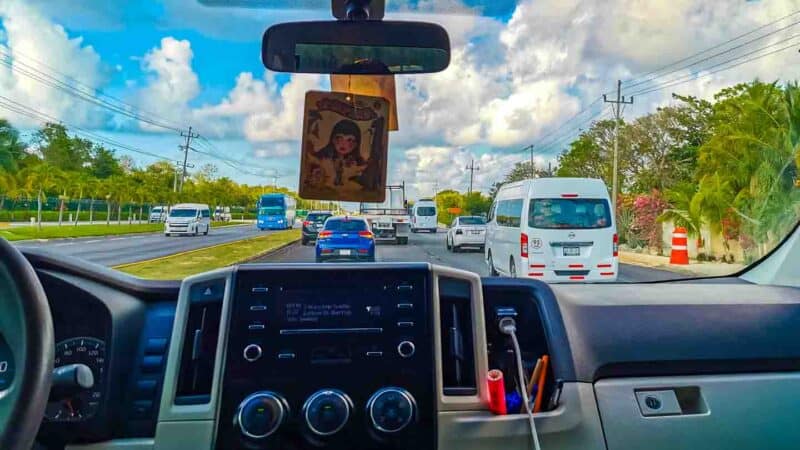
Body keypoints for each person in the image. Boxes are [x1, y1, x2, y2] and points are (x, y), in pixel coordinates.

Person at [314, 119, 366, 186]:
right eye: (339, 138)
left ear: (356, 144)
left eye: (349, 140)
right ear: (333, 140)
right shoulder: (321, 158)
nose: (343, 144)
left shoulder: (358, 164)